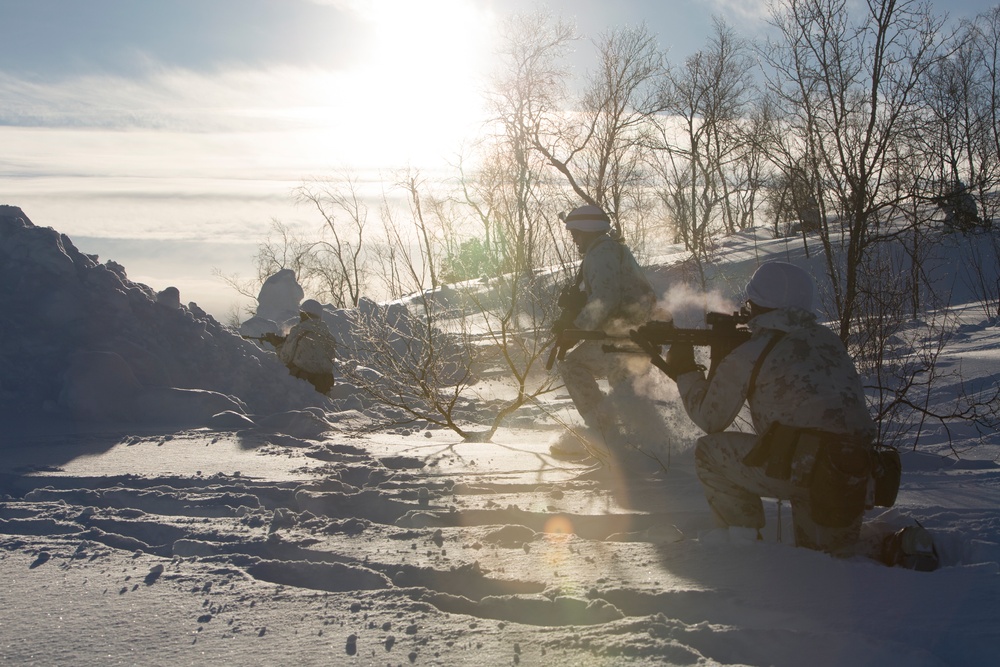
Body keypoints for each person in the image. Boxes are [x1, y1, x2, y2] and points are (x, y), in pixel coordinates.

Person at [660, 261, 876, 554]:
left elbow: (710, 419)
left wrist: (685, 371)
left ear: (759, 304)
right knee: (831, 563)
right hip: (851, 474)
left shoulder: (753, 352)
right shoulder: (828, 341)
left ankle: (743, 546)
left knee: (709, 451)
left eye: (749, 303)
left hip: (801, 471)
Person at [549, 204, 666, 461]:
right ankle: (653, 447)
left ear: (587, 230)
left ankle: (606, 435)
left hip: (624, 336)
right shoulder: (608, 250)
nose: (574, 239)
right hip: (627, 333)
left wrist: (576, 329)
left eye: (576, 233)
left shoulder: (601, 253)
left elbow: (606, 297)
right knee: (627, 393)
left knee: (572, 366)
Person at [275, 299, 337, 395]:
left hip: (302, 384)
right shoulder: (330, 337)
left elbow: (285, 358)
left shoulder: (299, 331)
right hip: (323, 385)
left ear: (304, 314)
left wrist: (279, 346)